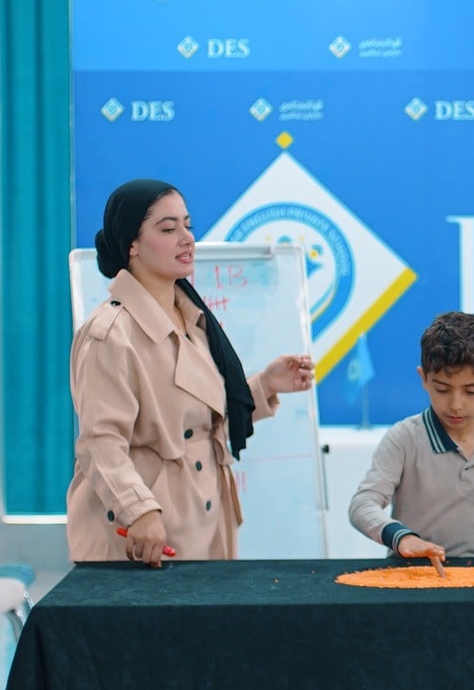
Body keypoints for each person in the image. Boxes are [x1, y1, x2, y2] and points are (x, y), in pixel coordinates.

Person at [68, 179, 315, 565]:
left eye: (188, 225)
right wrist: (138, 510)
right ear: (132, 245)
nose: (187, 239)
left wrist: (264, 385)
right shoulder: (110, 334)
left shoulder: (192, 319)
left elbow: (196, 417)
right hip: (146, 531)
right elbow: (100, 442)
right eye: (168, 229)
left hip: (202, 516)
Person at [348, 312, 474, 560]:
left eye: (471, 391)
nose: (456, 405)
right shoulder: (404, 438)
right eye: (442, 389)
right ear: (424, 379)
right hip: (410, 575)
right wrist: (401, 538)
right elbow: (362, 504)